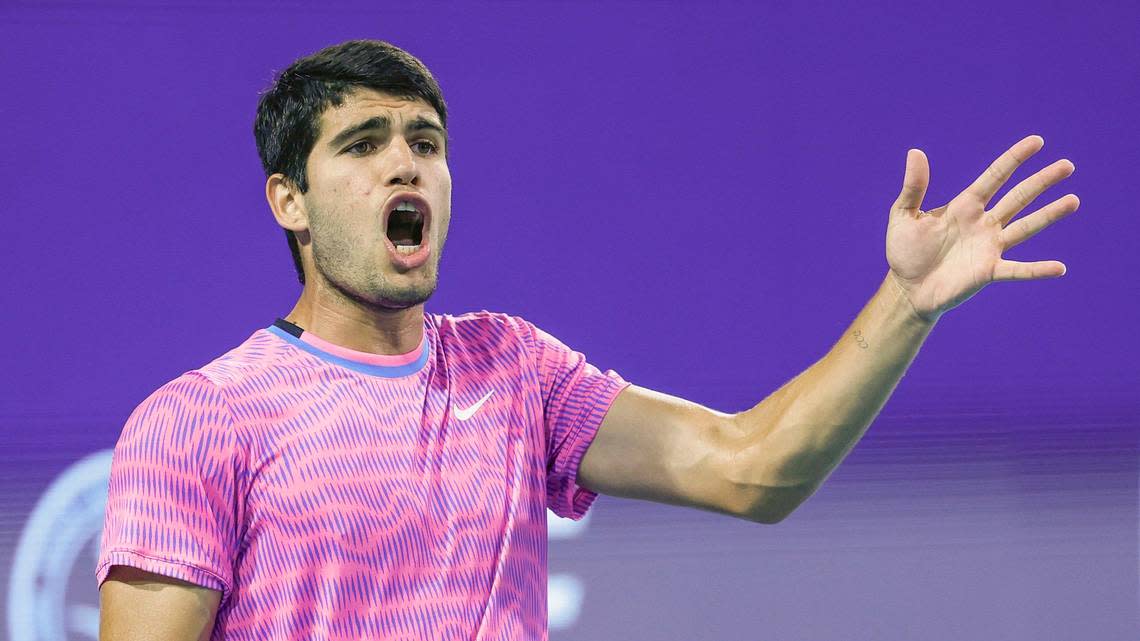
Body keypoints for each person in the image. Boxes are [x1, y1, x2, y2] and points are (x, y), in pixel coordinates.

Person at [96, 39, 1080, 640]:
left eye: (426, 144)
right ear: (289, 201)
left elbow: (754, 468)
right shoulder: (198, 420)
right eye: (363, 146)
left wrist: (908, 300)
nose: (407, 164)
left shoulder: (515, 369)